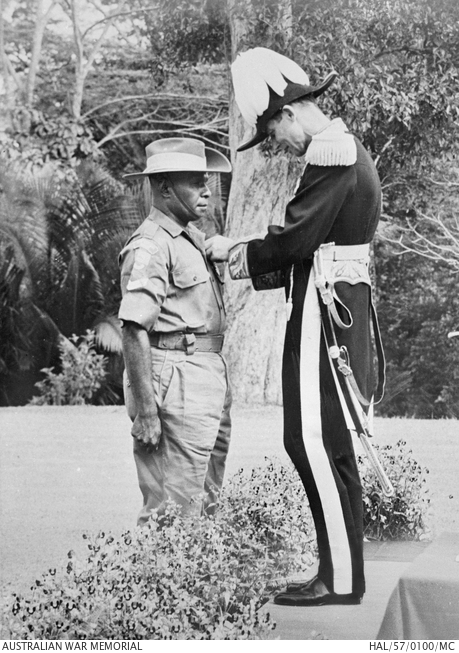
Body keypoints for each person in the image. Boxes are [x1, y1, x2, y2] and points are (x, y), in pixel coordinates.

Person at [206, 47, 385, 606]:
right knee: (329, 444)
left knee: (308, 439)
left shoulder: (330, 152)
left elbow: (293, 239)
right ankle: (341, 574)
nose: (276, 145)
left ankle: (339, 580)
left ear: (287, 114)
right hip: (335, 305)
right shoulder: (344, 149)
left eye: (271, 131)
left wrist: (232, 253)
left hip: (324, 313)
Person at [119, 137, 232, 525]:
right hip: (173, 376)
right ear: (165, 188)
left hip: (204, 372)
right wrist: (148, 412)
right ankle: (164, 584)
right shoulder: (150, 246)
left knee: (206, 501)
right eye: (195, 182)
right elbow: (134, 327)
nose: (206, 191)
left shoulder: (190, 240)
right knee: (171, 508)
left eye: (207, 181)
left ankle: (202, 585)